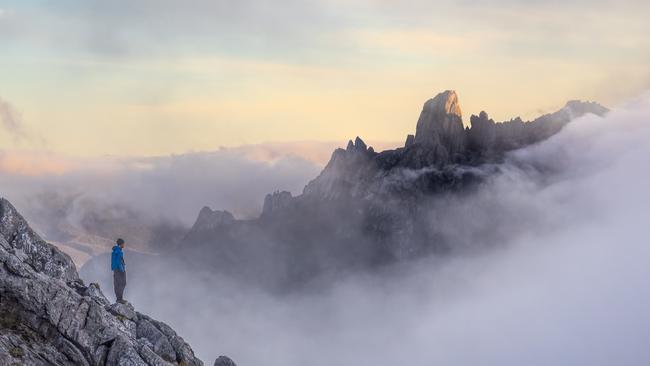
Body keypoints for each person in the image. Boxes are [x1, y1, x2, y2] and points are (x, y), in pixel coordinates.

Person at [111, 238, 127, 304]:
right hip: (119, 270)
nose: (124, 245)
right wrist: (122, 270)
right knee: (122, 283)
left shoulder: (115, 251)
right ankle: (120, 299)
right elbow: (118, 261)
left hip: (115, 269)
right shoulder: (119, 252)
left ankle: (119, 298)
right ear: (121, 244)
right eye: (123, 243)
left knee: (117, 284)